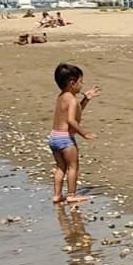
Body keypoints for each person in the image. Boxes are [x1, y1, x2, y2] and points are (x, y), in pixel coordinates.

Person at [48, 62, 99, 204]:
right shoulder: (72, 100)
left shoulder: (62, 96)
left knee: (60, 167)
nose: (82, 85)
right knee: (73, 166)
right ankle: (71, 195)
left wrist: (86, 99)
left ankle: (57, 195)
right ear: (72, 83)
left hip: (54, 137)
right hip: (66, 140)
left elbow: (74, 112)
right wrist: (84, 134)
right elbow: (71, 120)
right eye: (81, 82)